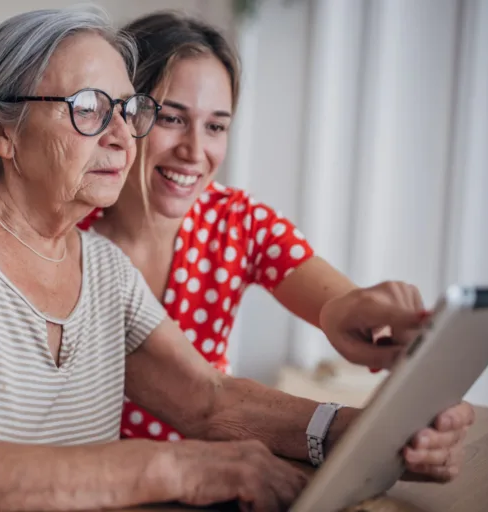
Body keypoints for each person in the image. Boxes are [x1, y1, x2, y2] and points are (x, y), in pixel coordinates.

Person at [0, 7, 473, 512]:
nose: (123, 137)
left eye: (129, 112)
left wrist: (361, 435)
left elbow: (209, 401)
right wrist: (167, 467)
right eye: (90, 108)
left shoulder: (102, 272)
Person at [79, 11, 435, 443]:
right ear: (121, 114)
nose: (195, 151)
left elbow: (340, 304)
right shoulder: (66, 226)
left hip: (212, 477)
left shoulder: (236, 221)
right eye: (171, 118)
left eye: (215, 126)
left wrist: (372, 315)